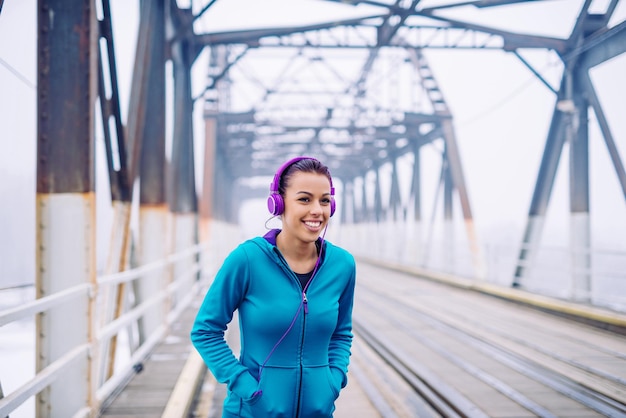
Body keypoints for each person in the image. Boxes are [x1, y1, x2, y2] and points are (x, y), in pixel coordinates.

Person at [191, 156, 357, 418]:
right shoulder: (247, 259)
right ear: (277, 203)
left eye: (324, 200)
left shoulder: (342, 265)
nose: (317, 210)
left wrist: (333, 381)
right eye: (304, 199)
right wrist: (247, 388)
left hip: (318, 412)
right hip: (253, 411)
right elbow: (205, 331)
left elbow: (341, 333)